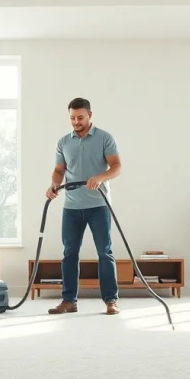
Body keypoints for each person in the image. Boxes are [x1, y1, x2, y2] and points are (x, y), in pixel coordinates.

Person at [46, 97, 122, 315]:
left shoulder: (104, 138)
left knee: (104, 252)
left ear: (90, 115)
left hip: (99, 205)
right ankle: (69, 300)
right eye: (72, 118)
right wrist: (54, 185)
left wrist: (100, 177)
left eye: (80, 117)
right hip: (71, 207)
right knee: (69, 253)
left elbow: (116, 166)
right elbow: (59, 170)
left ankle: (111, 300)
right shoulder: (63, 142)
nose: (76, 122)